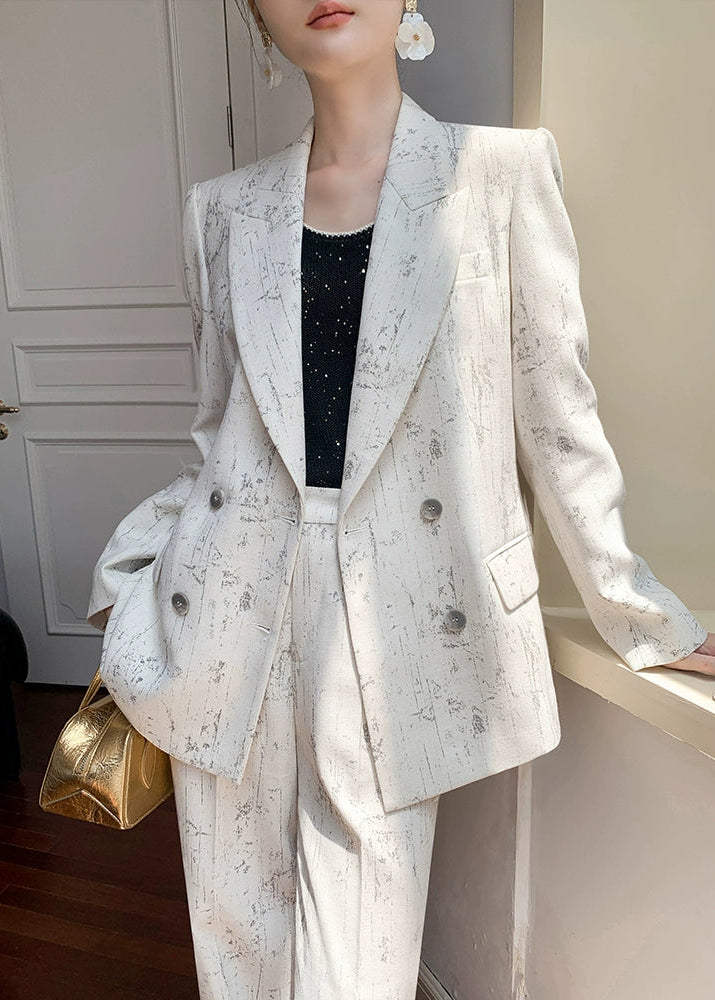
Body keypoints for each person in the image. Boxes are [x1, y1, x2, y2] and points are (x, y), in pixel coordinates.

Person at [86, 1, 715, 998]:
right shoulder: (222, 212)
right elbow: (216, 442)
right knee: (238, 956)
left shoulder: (500, 176)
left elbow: (559, 420)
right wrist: (129, 578)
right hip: (228, 618)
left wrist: (635, 613)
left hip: (396, 617)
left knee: (358, 965)